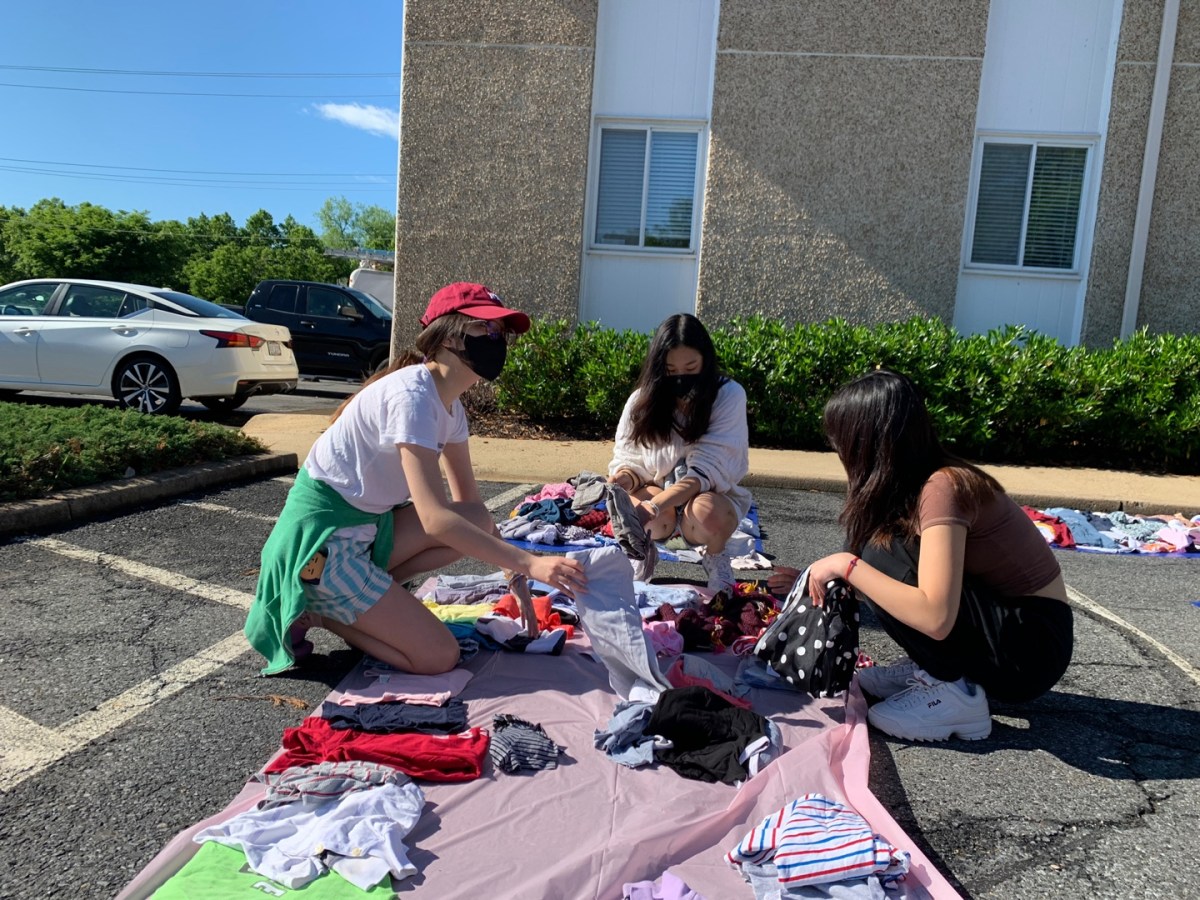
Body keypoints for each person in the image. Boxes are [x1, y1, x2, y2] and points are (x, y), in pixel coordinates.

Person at [244, 282, 588, 676]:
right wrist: (531, 563)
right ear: (448, 337)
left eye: (500, 332)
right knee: (438, 656)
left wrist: (515, 576)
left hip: (364, 532)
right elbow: (435, 519)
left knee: (476, 520)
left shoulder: (449, 406)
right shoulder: (413, 396)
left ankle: (365, 599)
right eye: (486, 328)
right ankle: (322, 611)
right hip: (322, 546)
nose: (497, 340)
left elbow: (471, 508)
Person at [801, 369, 1073, 741]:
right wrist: (818, 579)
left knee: (875, 556)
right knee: (875, 553)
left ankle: (956, 694)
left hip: (1032, 650)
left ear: (868, 442)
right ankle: (933, 667)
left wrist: (844, 566)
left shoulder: (943, 486)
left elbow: (935, 616)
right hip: (1015, 629)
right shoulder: (919, 482)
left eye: (841, 440)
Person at [607, 313, 753, 594]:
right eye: (671, 370)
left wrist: (653, 506)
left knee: (708, 512)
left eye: (690, 367)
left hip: (703, 499)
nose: (680, 378)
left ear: (706, 362)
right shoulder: (641, 400)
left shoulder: (728, 395)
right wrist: (623, 479)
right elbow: (630, 459)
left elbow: (705, 473)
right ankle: (641, 551)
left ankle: (715, 555)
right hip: (658, 495)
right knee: (628, 508)